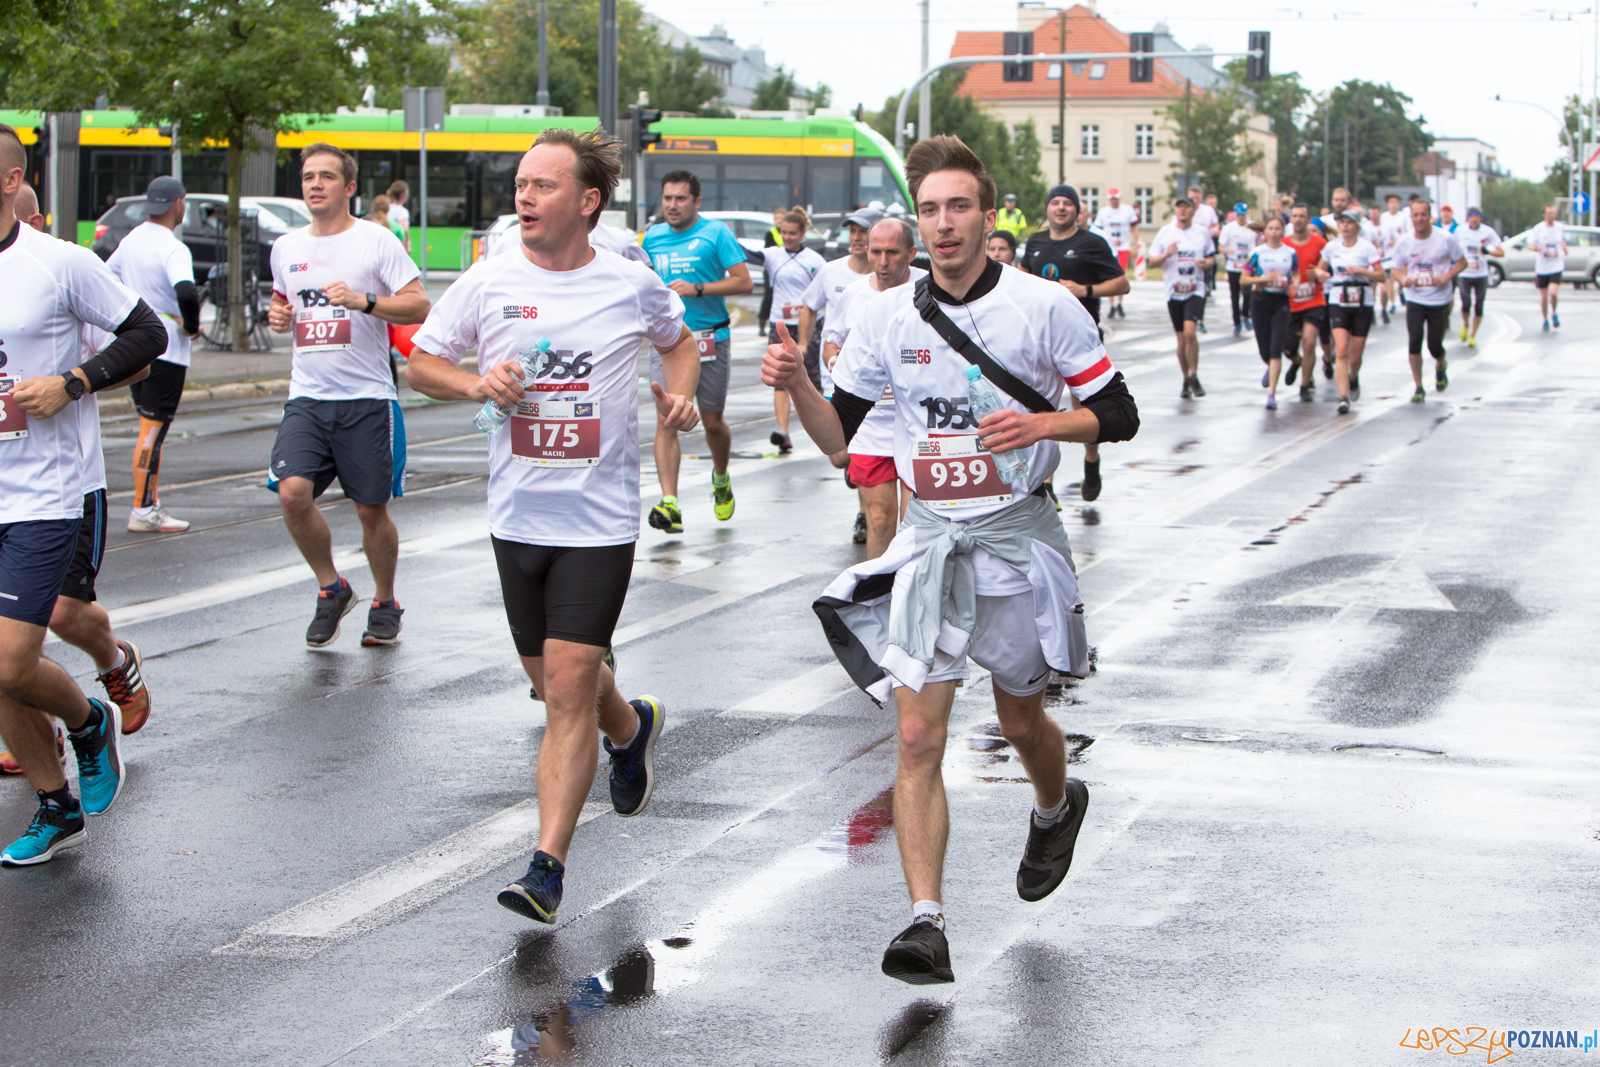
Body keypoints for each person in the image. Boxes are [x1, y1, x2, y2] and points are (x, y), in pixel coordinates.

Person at [761, 133, 1138, 985]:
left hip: (1015, 537)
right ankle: (925, 919)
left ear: (988, 213)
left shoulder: (1044, 306)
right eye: (929, 208)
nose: (943, 223)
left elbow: (1118, 412)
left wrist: (1045, 425)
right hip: (931, 542)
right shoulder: (888, 317)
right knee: (918, 730)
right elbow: (838, 442)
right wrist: (796, 386)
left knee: (1020, 723)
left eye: (958, 206)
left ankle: (1055, 802)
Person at [405, 127, 700, 925]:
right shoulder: (490, 279)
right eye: (521, 184)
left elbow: (680, 344)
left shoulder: (628, 282)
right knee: (552, 682)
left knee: (565, 686)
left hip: (599, 521)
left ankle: (547, 865)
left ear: (587, 202)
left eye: (541, 185)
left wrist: (679, 395)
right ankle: (631, 727)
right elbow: (420, 362)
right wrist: (474, 384)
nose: (523, 197)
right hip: (518, 513)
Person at [0, 122, 169, 865]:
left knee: (9, 661)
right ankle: (55, 804)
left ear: (11, 181)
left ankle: (90, 722)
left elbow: (146, 334)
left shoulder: (57, 262)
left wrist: (71, 383)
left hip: (42, 492)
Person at [266, 143, 431, 647]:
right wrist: (276, 318)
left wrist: (365, 301)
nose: (315, 184)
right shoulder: (286, 247)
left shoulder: (375, 241)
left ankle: (385, 600)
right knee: (293, 494)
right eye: (308, 176)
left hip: (366, 398)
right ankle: (331, 588)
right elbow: (281, 302)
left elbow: (420, 304)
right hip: (308, 397)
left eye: (327, 177)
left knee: (369, 509)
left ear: (350, 187)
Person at [641, 173, 752, 533]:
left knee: (713, 421)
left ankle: (720, 479)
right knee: (666, 418)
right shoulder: (653, 237)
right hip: (668, 341)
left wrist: (698, 288)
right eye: (668, 198)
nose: (673, 205)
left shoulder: (716, 233)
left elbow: (744, 282)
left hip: (710, 338)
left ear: (696, 201)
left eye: (681, 199)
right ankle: (670, 502)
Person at [1018, 184, 1129, 502]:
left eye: (1068, 203)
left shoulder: (1092, 244)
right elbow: (1023, 276)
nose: (1061, 208)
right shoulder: (1037, 242)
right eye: (1055, 203)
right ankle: (1046, 483)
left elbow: (1122, 283)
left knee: (1084, 406)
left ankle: (1091, 462)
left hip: (1079, 338)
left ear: (1077, 210)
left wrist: (1085, 290)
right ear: (1047, 209)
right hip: (1037, 338)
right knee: (1041, 405)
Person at [821, 216, 923, 557]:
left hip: (918, 425)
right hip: (870, 423)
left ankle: (911, 598)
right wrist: (835, 363)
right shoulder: (853, 294)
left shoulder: (930, 287)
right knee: (879, 518)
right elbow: (831, 344)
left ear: (911, 252)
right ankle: (879, 599)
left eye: (892, 253)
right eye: (875, 252)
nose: (882, 262)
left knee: (915, 521)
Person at [107, 175, 201, 534]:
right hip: (168, 348)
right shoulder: (173, 247)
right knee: (152, 431)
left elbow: (106, 277)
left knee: (148, 426)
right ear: (178, 204)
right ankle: (144, 508)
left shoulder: (131, 240)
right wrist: (190, 325)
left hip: (134, 346)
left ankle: (149, 503)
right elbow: (188, 292)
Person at [760, 209, 826, 454]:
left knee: (812, 379)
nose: (787, 237)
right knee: (780, 378)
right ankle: (782, 431)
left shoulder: (815, 260)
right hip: (780, 323)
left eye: (792, 233)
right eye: (783, 233)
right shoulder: (772, 255)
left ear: (802, 234)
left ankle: (823, 427)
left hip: (809, 324)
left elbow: (825, 290)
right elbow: (746, 255)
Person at [1390, 197, 1465, 403]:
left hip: (1439, 299)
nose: (1420, 219)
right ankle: (1419, 386)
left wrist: (1445, 277)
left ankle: (1440, 365)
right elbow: (1395, 268)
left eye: (1424, 214)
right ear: (1411, 217)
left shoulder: (1445, 238)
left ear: (1430, 216)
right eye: (1416, 215)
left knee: (1434, 346)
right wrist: (1403, 278)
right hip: (1415, 297)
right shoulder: (1404, 241)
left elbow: (1461, 262)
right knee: (1414, 342)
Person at [800, 207, 878, 395]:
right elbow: (810, 308)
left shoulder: (886, 275)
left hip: (875, 378)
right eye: (852, 231)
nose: (856, 238)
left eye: (863, 232)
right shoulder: (830, 271)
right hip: (834, 377)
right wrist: (802, 344)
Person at [1146, 194, 1215, 399]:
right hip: (1174, 291)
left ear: (1193, 211)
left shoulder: (1202, 232)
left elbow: (1213, 257)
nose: (1182, 210)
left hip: (1195, 289)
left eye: (1186, 207)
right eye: (1179, 207)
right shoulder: (1166, 232)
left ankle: (1194, 375)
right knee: (1181, 340)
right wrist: (1166, 254)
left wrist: (1207, 263)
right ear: (1175, 210)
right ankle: (1186, 378)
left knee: (1190, 332)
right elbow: (1152, 263)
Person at [1318, 209, 1385, 414]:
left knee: (1355, 356)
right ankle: (1343, 396)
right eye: (1342, 222)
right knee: (1342, 350)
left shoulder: (1366, 247)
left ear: (1357, 226)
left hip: (1362, 299)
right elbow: (1320, 268)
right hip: (1339, 298)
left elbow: (1381, 275)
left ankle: (1353, 376)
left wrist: (1362, 271)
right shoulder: (1331, 247)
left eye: (1349, 223)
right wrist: (1321, 273)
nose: (1345, 226)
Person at [1241, 215, 1295, 409]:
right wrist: (1264, 278)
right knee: (1265, 349)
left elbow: (1295, 273)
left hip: (1281, 302)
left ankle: (1271, 394)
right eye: (1270, 228)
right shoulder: (1257, 253)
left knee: (1275, 349)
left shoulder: (1290, 253)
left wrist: (1294, 284)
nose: (1274, 232)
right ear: (1265, 232)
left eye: (1277, 229)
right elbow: (1244, 279)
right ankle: (1270, 367)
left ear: (1282, 231)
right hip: (1260, 301)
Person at [1282, 203, 1328, 402]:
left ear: (1308, 220)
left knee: (1309, 342)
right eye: (1295, 216)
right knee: (1288, 348)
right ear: (1290, 220)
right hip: (1290, 302)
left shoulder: (1320, 243)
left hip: (1314, 299)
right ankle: (1296, 361)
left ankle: (1305, 384)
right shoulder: (1283, 244)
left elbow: (1327, 269)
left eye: (1302, 216)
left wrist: (1319, 272)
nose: (1298, 219)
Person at [1455, 208, 1502, 346]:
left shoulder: (1487, 232)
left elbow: (1501, 251)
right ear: (1468, 218)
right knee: (1466, 305)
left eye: (1477, 216)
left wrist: (1488, 251)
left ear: (1480, 218)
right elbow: (1451, 246)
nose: (1474, 219)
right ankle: (1465, 323)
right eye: (1472, 217)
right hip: (1465, 273)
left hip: (1481, 273)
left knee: (1479, 306)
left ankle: (1473, 335)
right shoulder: (1460, 231)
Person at [1091, 188, 1139, 319]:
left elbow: (1134, 228)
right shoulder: (1103, 212)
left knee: (1120, 274)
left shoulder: (1127, 210)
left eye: (1116, 198)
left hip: (1123, 247)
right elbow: (1097, 231)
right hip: (1109, 248)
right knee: (1109, 277)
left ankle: (1120, 303)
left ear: (1120, 198)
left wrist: (1136, 245)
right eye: (1112, 199)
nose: (1114, 201)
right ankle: (1111, 305)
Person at [1219, 203, 1259, 336]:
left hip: (1248, 266)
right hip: (1233, 266)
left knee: (1247, 293)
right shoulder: (1229, 228)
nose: (1241, 217)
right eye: (1239, 215)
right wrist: (1226, 250)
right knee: (1234, 296)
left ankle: (1246, 315)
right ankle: (1236, 322)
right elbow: (1220, 246)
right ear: (1235, 215)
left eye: (1243, 215)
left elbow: (1263, 238)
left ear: (1247, 214)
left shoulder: (1253, 226)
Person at [1528, 203, 1566, 331]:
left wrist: (1564, 247)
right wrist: (1535, 248)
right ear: (1544, 214)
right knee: (1544, 296)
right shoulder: (1538, 229)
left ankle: (1554, 313)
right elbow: (1529, 244)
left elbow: (1562, 239)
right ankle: (1545, 319)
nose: (1552, 215)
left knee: (1553, 292)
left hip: (1556, 265)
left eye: (1554, 212)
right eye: (1549, 213)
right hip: (1542, 267)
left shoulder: (1560, 227)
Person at [1188, 185, 1220, 332]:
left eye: (1197, 198)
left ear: (1201, 198)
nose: (1194, 201)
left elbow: (1216, 225)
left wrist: (1212, 231)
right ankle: (1188, 317)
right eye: (1192, 198)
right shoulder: (1183, 209)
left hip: (1202, 251)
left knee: (1202, 286)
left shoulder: (1207, 211)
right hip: (1186, 253)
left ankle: (1199, 318)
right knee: (1187, 286)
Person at [1378, 194, 1410, 319]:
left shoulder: (1403, 217)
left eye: (1396, 202)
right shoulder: (1384, 217)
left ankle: (1401, 290)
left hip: (1402, 251)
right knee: (1389, 278)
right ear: (1387, 204)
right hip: (1389, 253)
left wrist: (1397, 240)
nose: (1394, 204)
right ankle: (1392, 302)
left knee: (1402, 275)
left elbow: (1408, 232)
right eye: (1392, 202)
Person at [386, 180, 411, 252]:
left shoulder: (387, 208)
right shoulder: (402, 211)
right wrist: (407, 246)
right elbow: (404, 229)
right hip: (397, 246)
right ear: (403, 195)